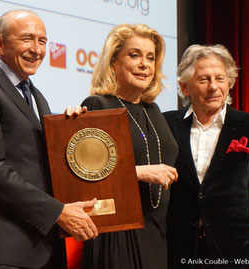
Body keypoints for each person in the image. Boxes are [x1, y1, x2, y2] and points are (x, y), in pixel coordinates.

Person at [0, 10, 98, 269]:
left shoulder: (37, 97)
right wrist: (58, 212)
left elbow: (41, 163)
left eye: (42, 41)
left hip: (43, 248)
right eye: (27, 39)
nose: (37, 49)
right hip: (2, 252)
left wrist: (71, 131)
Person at [164, 44, 249, 268]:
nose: (213, 87)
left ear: (229, 83)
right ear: (185, 86)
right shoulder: (165, 125)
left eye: (220, 78)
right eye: (204, 79)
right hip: (176, 253)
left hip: (234, 254)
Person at [80, 24, 179, 269]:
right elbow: (86, 176)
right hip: (116, 233)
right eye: (134, 55)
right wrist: (140, 172)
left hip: (156, 230)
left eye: (151, 57)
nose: (145, 64)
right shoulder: (98, 104)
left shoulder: (154, 110)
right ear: (113, 62)